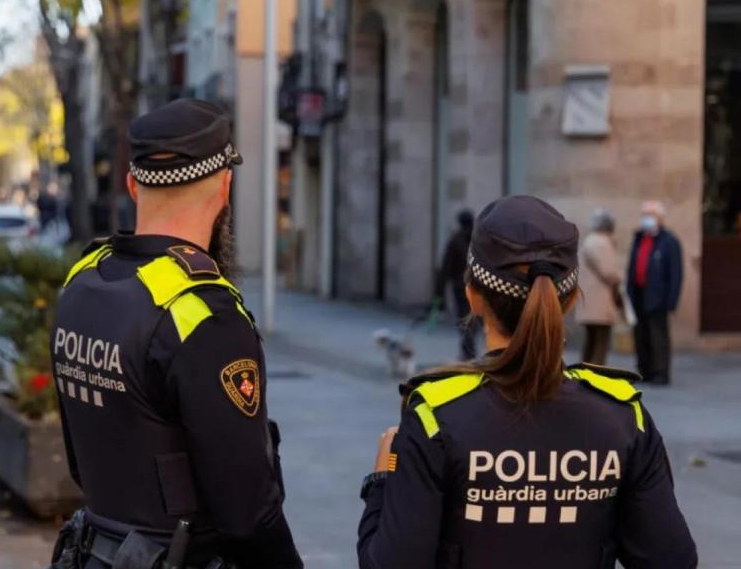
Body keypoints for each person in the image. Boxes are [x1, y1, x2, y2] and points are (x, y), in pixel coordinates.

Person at [357, 196, 696, 569]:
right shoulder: (624, 418)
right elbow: (671, 560)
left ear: (473, 297)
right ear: (569, 300)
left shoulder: (435, 419)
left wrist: (383, 479)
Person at [48, 99, 302, 569]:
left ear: (132, 185)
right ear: (225, 186)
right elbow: (248, 517)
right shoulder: (203, 315)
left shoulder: (82, 282)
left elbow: (82, 464)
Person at [626, 201, 683, 385]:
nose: (646, 218)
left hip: (658, 297)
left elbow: (675, 273)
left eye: (650, 214)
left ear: (660, 218)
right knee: (640, 335)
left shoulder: (669, 241)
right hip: (638, 294)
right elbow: (631, 267)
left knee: (658, 337)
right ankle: (644, 371)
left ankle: (660, 373)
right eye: (644, 214)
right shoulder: (639, 238)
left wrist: (671, 300)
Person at [577, 208, 623, 365]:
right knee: (600, 342)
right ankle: (595, 373)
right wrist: (621, 277)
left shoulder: (590, 240)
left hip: (589, 299)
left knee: (591, 340)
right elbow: (609, 272)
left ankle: (583, 371)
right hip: (600, 299)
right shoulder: (601, 243)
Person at [436, 209, 478, 360]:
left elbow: (446, 267)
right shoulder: (479, 240)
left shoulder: (456, 241)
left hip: (461, 287)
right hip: (478, 285)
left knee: (464, 318)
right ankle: (470, 349)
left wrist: (439, 292)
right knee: (476, 318)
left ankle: (468, 351)